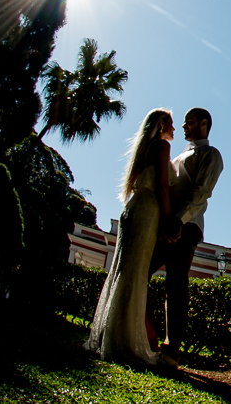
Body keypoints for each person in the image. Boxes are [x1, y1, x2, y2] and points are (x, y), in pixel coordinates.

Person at [84, 108, 177, 366]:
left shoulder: (143, 149)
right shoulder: (161, 147)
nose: (174, 129)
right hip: (148, 210)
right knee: (136, 273)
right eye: (170, 123)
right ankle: (125, 341)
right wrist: (168, 219)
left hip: (132, 209)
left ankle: (109, 334)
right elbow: (162, 185)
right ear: (161, 124)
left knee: (123, 269)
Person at [148, 107, 223, 362]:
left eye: (188, 122)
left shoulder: (211, 155)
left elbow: (202, 192)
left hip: (187, 225)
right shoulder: (180, 155)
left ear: (203, 124)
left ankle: (172, 349)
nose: (183, 126)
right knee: (142, 272)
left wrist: (178, 220)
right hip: (167, 223)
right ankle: (147, 336)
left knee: (176, 283)